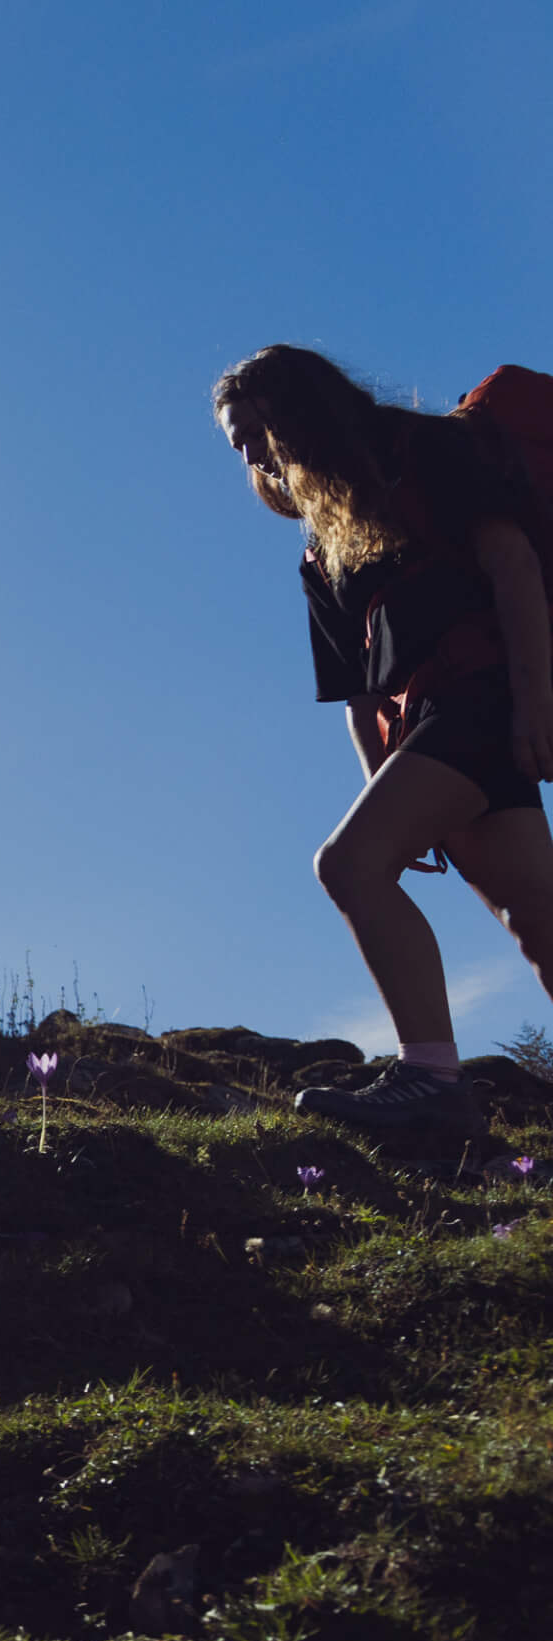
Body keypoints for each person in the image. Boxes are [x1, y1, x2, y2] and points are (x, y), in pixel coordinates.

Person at [214, 344, 553, 1133]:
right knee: (534, 913)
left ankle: (433, 1081)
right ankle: (434, 1080)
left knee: (347, 865)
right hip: (432, 721)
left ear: (300, 406)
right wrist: (388, 785)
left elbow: (513, 566)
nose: (253, 456)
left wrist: (536, 701)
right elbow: (358, 693)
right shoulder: (318, 547)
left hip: (485, 695)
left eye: (254, 431)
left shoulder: (427, 452)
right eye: (238, 446)